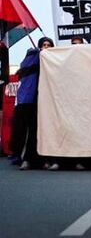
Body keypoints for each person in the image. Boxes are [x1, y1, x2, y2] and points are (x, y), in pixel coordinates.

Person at [9, 37, 54, 170]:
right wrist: (39, 52)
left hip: (47, 101)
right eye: (44, 45)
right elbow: (28, 60)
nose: (46, 47)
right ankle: (26, 159)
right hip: (31, 101)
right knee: (30, 130)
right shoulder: (33, 55)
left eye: (49, 45)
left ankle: (43, 159)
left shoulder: (55, 61)